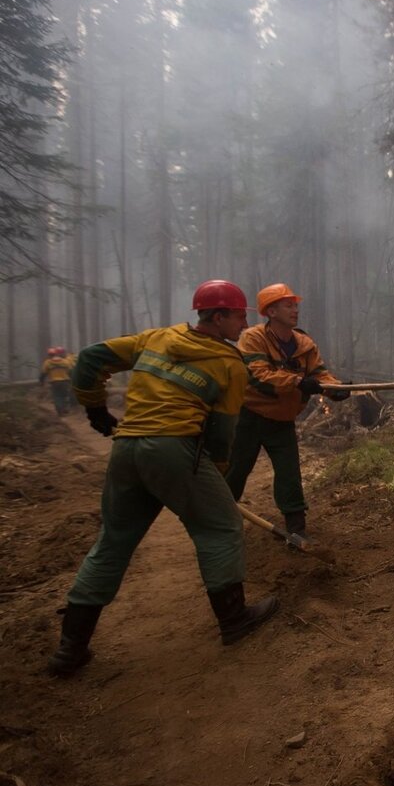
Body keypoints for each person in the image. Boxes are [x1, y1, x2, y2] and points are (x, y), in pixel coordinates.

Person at [47, 280, 280, 677]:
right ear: (219, 316)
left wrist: (95, 410)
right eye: (240, 315)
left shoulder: (157, 337)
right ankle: (235, 619)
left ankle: (70, 649)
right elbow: (224, 435)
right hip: (174, 450)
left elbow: (89, 358)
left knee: (113, 540)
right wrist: (216, 479)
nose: (244, 323)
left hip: (127, 450)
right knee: (221, 527)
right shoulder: (229, 365)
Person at [224, 283, 348, 538]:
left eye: (295, 305)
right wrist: (297, 382)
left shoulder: (304, 343)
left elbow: (319, 374)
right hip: (249, 417)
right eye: (288, 305)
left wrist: (334, 388)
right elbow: (258, 376)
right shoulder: (253, 338)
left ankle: (296, 532)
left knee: (289, 474)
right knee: (236, 470)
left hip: (282, 419)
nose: (295, 310)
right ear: (271, 312)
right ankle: (219, 521)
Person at [39, 346, 73, 415]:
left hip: (54, 382)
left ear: (49, 355)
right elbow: (70, 371)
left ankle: (60, 410)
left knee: (57, 396)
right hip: (65, 381)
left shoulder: (47, 363)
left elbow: (43, 373)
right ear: (57, 354)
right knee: (65, 395)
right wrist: (71, 380)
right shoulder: (65, 361)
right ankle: (65, 409)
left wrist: (41, 382)